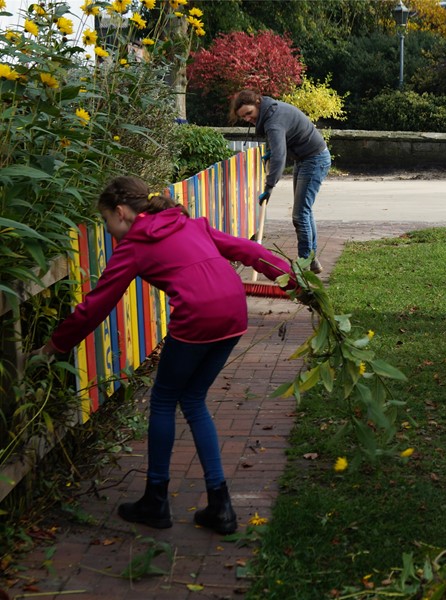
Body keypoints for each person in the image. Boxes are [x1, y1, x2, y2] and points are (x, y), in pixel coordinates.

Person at [39, 176, 299, 535]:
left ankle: (156, 501)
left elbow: (97, 304)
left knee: (163, 401)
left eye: (107, 223)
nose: (110, 232)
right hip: (234, 313)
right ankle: (220, 506)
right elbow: (248, 251)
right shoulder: (190, 224)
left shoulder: (135, 245)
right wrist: (296, 282)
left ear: (121, 212)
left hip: (197, 317)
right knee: (192, 400)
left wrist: (56, 344)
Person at [230, 89, 331, 274]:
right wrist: (273, 150)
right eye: (243, 116)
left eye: (249, 113)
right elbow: (282, 142)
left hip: (314, 160)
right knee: (304, 212)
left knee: (300, 215)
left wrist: (269, 187)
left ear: (258, 103)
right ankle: (312, 260)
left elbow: (279, 157)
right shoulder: (272, 110)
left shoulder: (273, 121)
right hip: (305, 158)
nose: (247, 119)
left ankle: (303, 266)